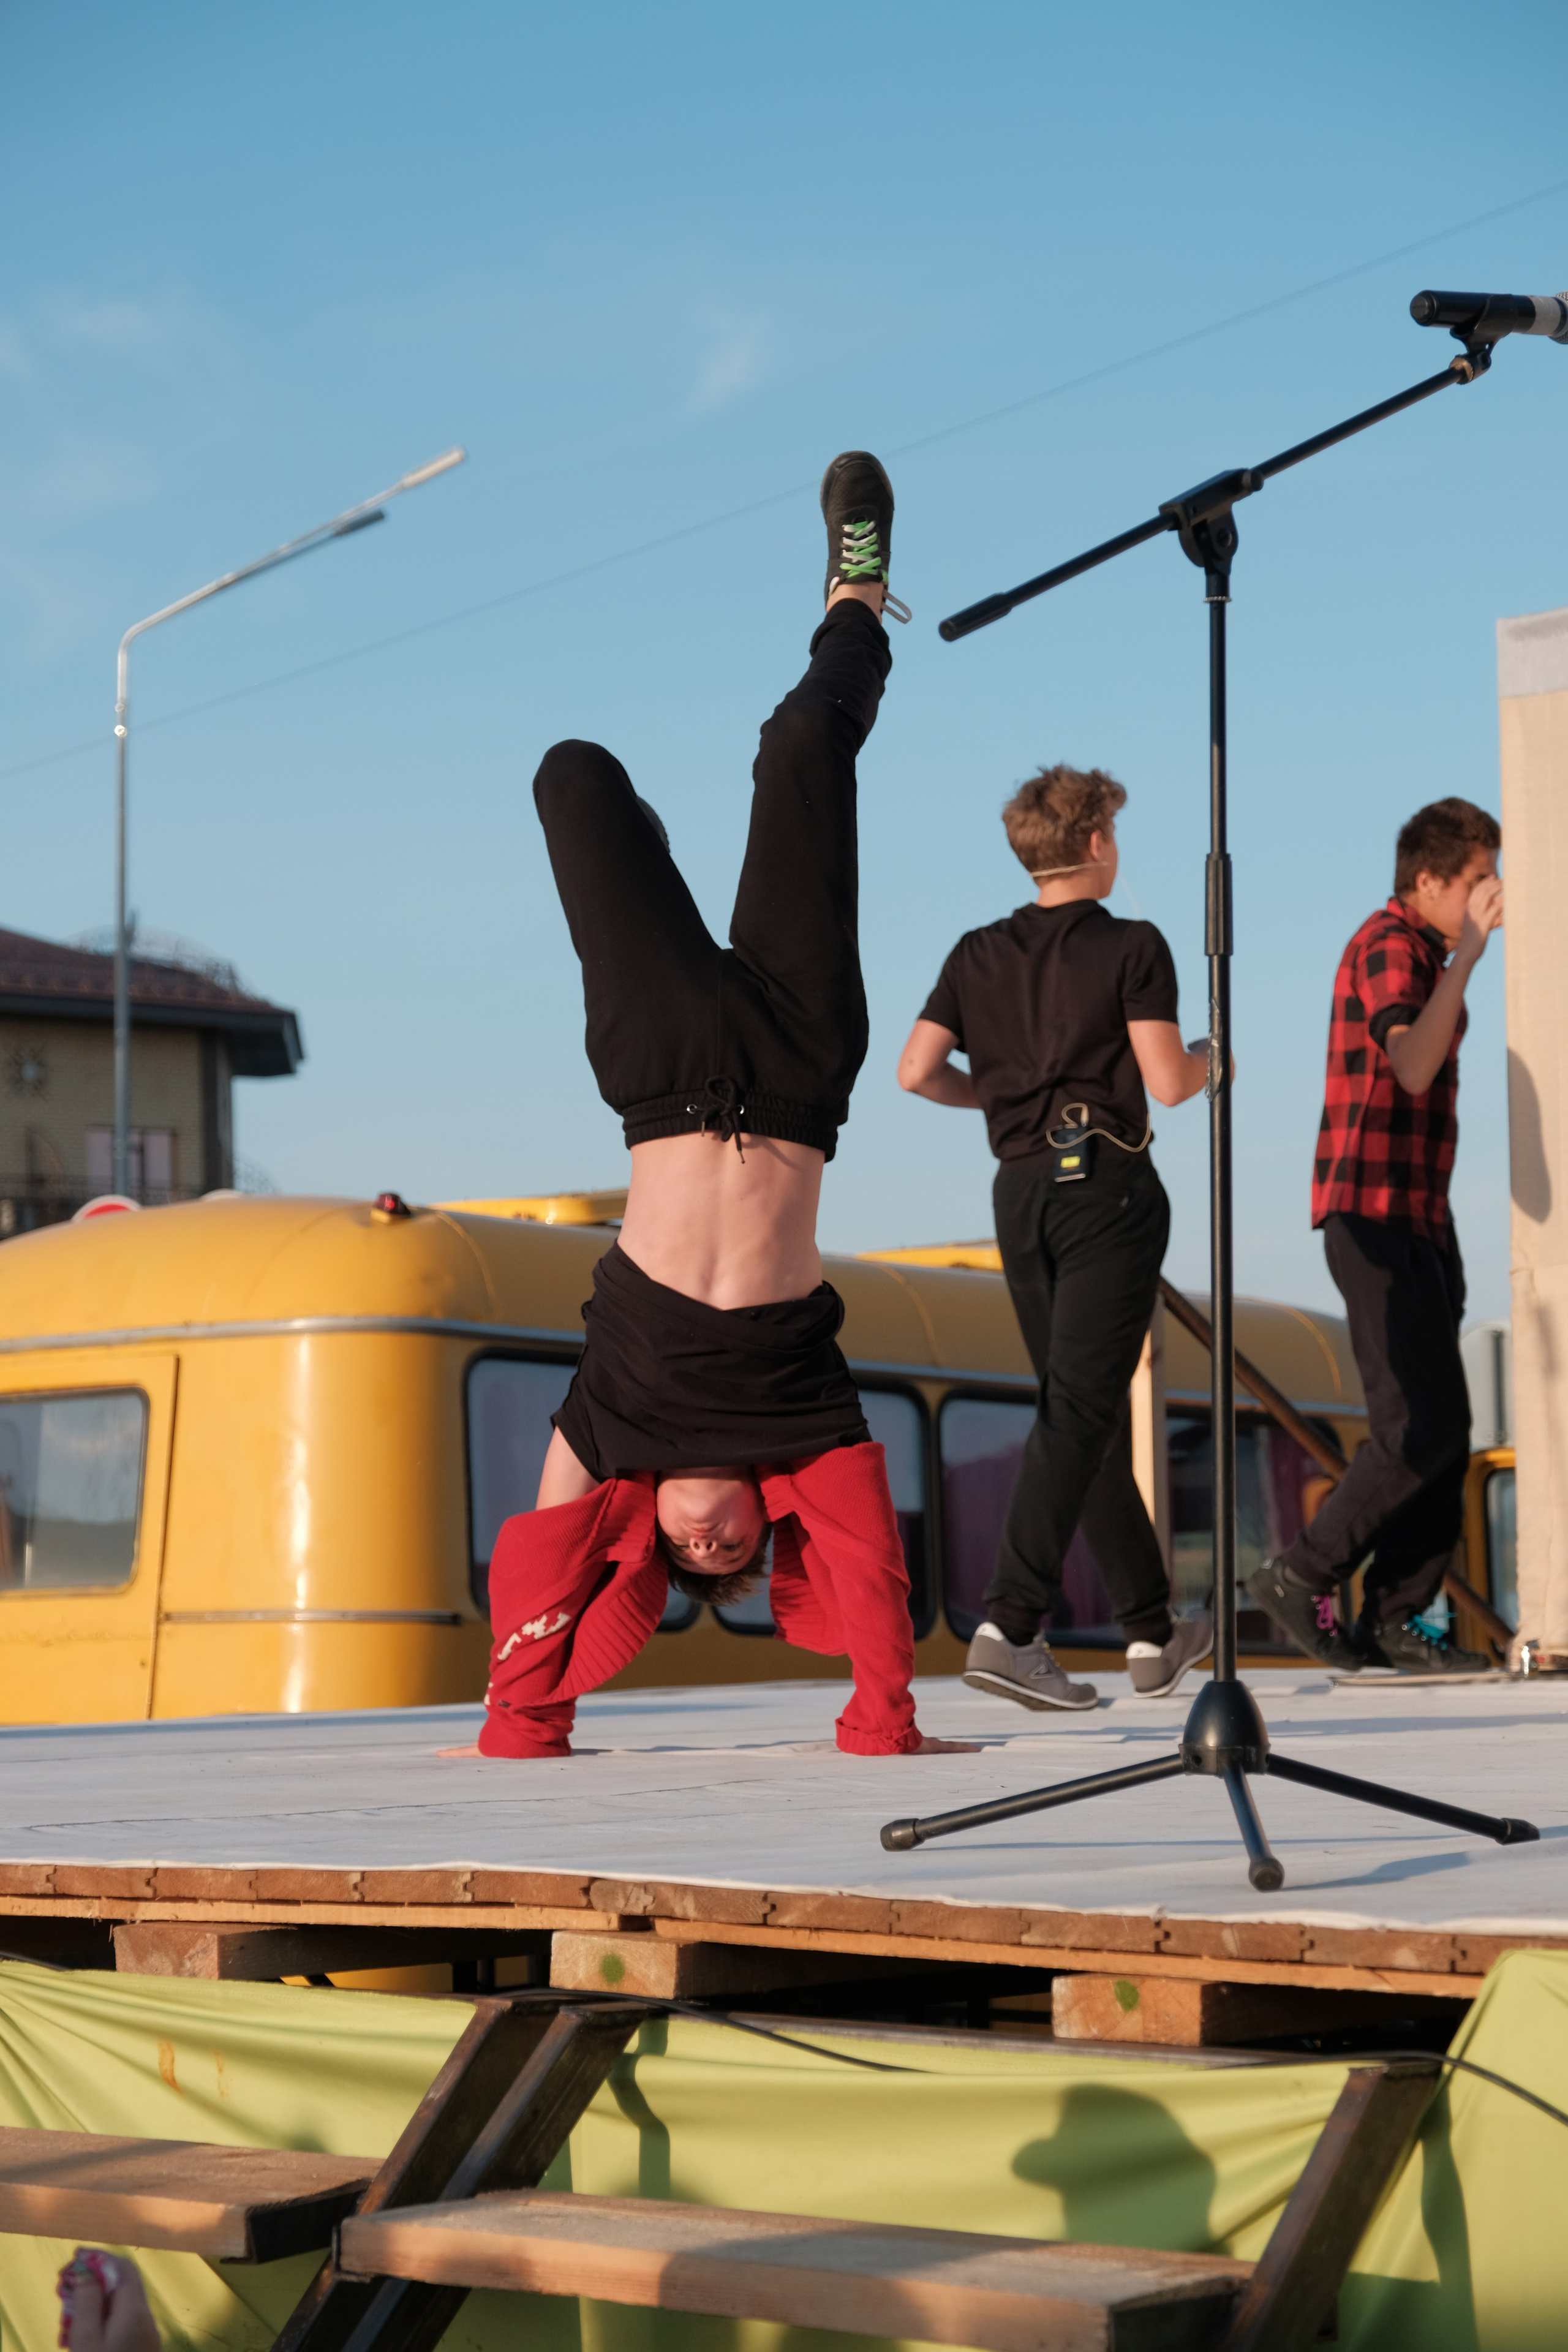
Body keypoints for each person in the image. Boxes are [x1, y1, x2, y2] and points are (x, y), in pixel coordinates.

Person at [473, 454, 970, 1761]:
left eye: (687, 1560)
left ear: (648, 1532)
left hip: (660, 1069)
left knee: (571, 775)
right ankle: (856, 598)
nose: (709, 1547)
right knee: (801, 750)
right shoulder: (807, 1426)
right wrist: (883, 1725)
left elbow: (541, 1574)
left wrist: (525, 1724)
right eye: (733, 1555)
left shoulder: (608, 1429)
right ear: (764, 1516)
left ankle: (644, 848)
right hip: (800, 1067)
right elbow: (871, 1584)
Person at [899, 764, 1214, 1709]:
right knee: (1079, 1410)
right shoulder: (1133, 945)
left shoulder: (976, 952)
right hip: (1106, 1189)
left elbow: (916, 1071)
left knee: (1079, 1411)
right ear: (1097, 842)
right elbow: (1169, 1083)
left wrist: (1000, 1099)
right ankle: (1010, 1625)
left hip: (1020, 1191)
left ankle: (1151, 1634)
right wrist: (1217, 1058)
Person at [1246, 797, 1502, 1675]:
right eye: (1478, 879)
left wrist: (1460, 957)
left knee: (1446, 1429)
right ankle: (1300, 1573)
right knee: (1408, 1427)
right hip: (1371, 1211)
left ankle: (1394, 1618)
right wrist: (1470, 957)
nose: (1491, 893)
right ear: (1427, 881)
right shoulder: (1390, 944)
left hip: (1421, 1215)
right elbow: (1414, 1064)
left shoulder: (1430, 952)